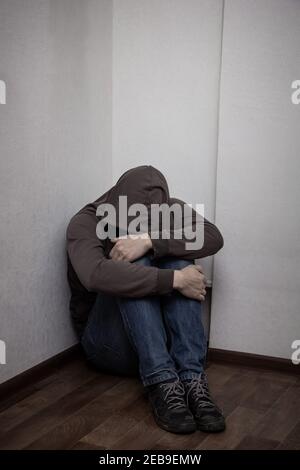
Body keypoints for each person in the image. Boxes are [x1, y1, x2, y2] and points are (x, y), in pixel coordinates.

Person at [66, 165, 225, 434]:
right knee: (130, 260)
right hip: (108, 345)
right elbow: (94, 275)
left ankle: (191, 378)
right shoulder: (85, 221)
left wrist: (150, 239)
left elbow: (213, 236)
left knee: (177, 254)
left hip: (162, 344)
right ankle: (161, 382)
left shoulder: (170, 208)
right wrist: (177, 280)